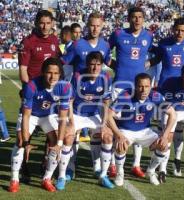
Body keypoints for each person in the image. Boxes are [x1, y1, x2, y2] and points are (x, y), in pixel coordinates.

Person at [9, 57, 73, 192]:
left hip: (48, 115)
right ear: (43, 72)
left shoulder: (65, 87)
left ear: (60, 74)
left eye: (56, 73)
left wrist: (60, 143)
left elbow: (62, 118)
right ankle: (14, 179)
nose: (52, 76)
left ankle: (47, 178)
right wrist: (26, 142)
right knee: (20, 141)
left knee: (56, 143)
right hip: (31, 115)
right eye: (49, 73)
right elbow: (26, 116)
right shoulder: (32, 86)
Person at [147, 17, 184, 176]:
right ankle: (162, 165)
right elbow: (156, 59)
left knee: (179, 129)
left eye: (183, 30)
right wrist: (146, 65)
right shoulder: (164, 43)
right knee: (165, 128)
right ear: (173, 29)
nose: (179, 33)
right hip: (166, 88)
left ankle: (177, 160)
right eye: (177, 29)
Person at [108, 7, 154, 178]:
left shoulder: (148, 36)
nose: (137, 20)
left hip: (140, 87)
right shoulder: (118, 34)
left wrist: (149, 64)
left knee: (139, 123)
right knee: (118, 124)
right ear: (129, 19)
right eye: (134, 17)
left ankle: (136, 164)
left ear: (143, 19)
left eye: (140, 17)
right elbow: (105, 52)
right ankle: (113, 163)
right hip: (120, 85)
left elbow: (157, 54)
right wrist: (115, 65)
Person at [108, 73, 176, 186]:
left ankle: (151, 171)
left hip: (145, 131)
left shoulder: (155, 96)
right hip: (126, 130)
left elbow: (173, 115)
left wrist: (165, 136)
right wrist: (118, 134)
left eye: (147, 86)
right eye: (140, 86)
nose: (144, 90)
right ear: (135, 86)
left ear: (151, 86)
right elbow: (109, 115)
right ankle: (120, 173)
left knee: (164, 145)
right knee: (121, 145)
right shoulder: (125, 95)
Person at [65, 51, 114, 189]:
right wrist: (72, 123)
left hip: (94, 113)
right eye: (92, 64)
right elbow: (70, 101)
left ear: (102, 65)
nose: (95, 68)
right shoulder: (78, 75)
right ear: (87, 65)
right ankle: (70, 169)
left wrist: (104, 125)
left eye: (98, 65)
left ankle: (101, 172)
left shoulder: (106, 77)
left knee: (108, 136)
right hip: (77, 112)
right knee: (70, 135)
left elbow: (106, 103)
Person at [62, 12, 111, 146]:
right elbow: (63, 62)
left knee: (98, 134)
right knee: (72, 134)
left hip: (95, 94)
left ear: (102, 27)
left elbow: (109, 62)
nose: (95, 29)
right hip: (78, 93)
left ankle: (98, 165)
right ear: (87, 26)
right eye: (92, 26)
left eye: (98, 26)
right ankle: (70, 166)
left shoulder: (105, 45)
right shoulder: (77, 44)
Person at [19, 10, 60, 84]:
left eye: (48, 23)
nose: (45, 27)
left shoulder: (54, 40)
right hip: (34, 86)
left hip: (50, 86)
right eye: (42, 23)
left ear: (52, 24)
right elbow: (23, 69)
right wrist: (29, 88)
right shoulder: (27, 42)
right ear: (36, 23)